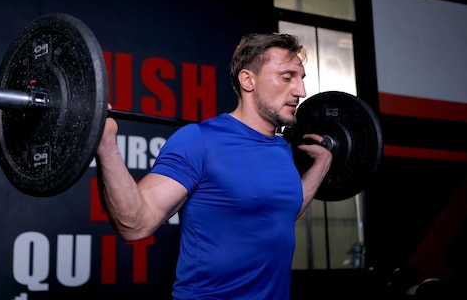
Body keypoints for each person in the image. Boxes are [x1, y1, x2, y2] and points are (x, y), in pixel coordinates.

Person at [95, 33, 333, 299]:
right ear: (248, 81)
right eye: (287, 77)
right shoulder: (198, 141)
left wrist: (322, 163)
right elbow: (135, 225)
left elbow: (282, 211)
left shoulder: (282, 148)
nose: (301, 91)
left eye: (301, 79)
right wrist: (105, 143)